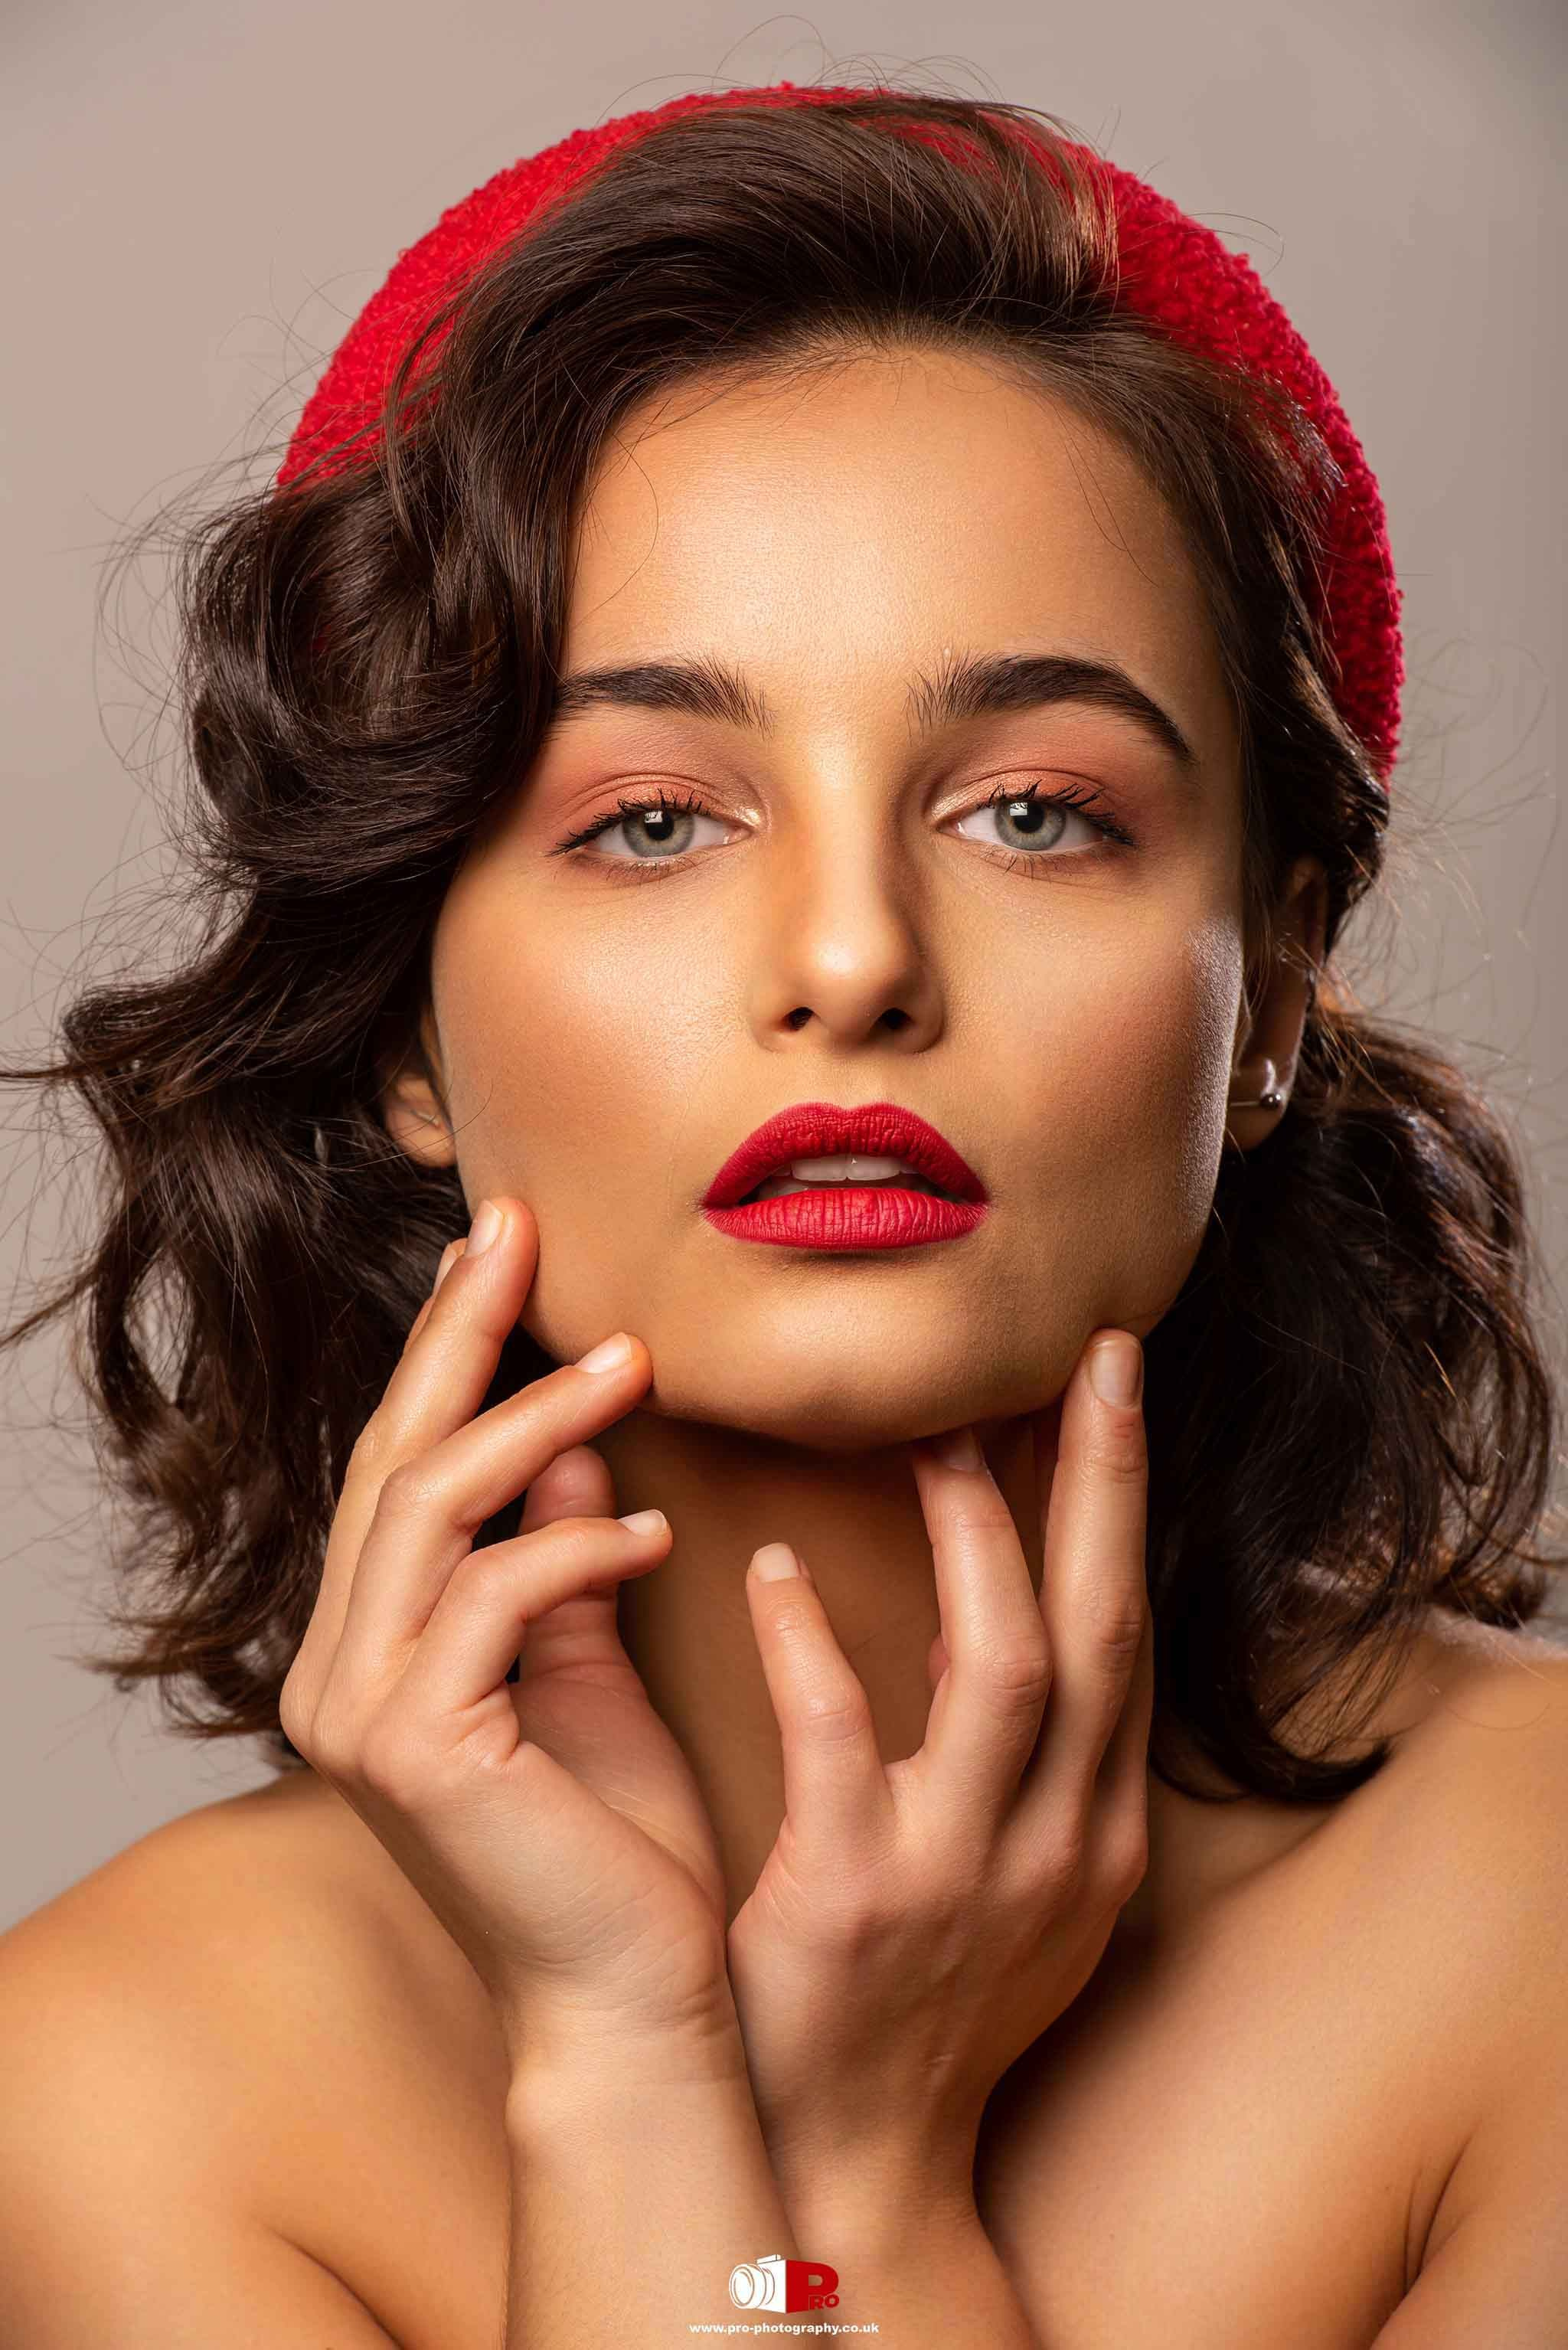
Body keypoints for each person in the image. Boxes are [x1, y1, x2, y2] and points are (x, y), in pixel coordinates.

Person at [0, 79, 1563, 2348]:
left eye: (1034, 811)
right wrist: (640, 2069)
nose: (852, 955)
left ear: (1274, 997)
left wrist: (857, 2183)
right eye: (651, 820)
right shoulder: (122, 2083)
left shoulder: (1533, 1910)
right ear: (404, 1032)